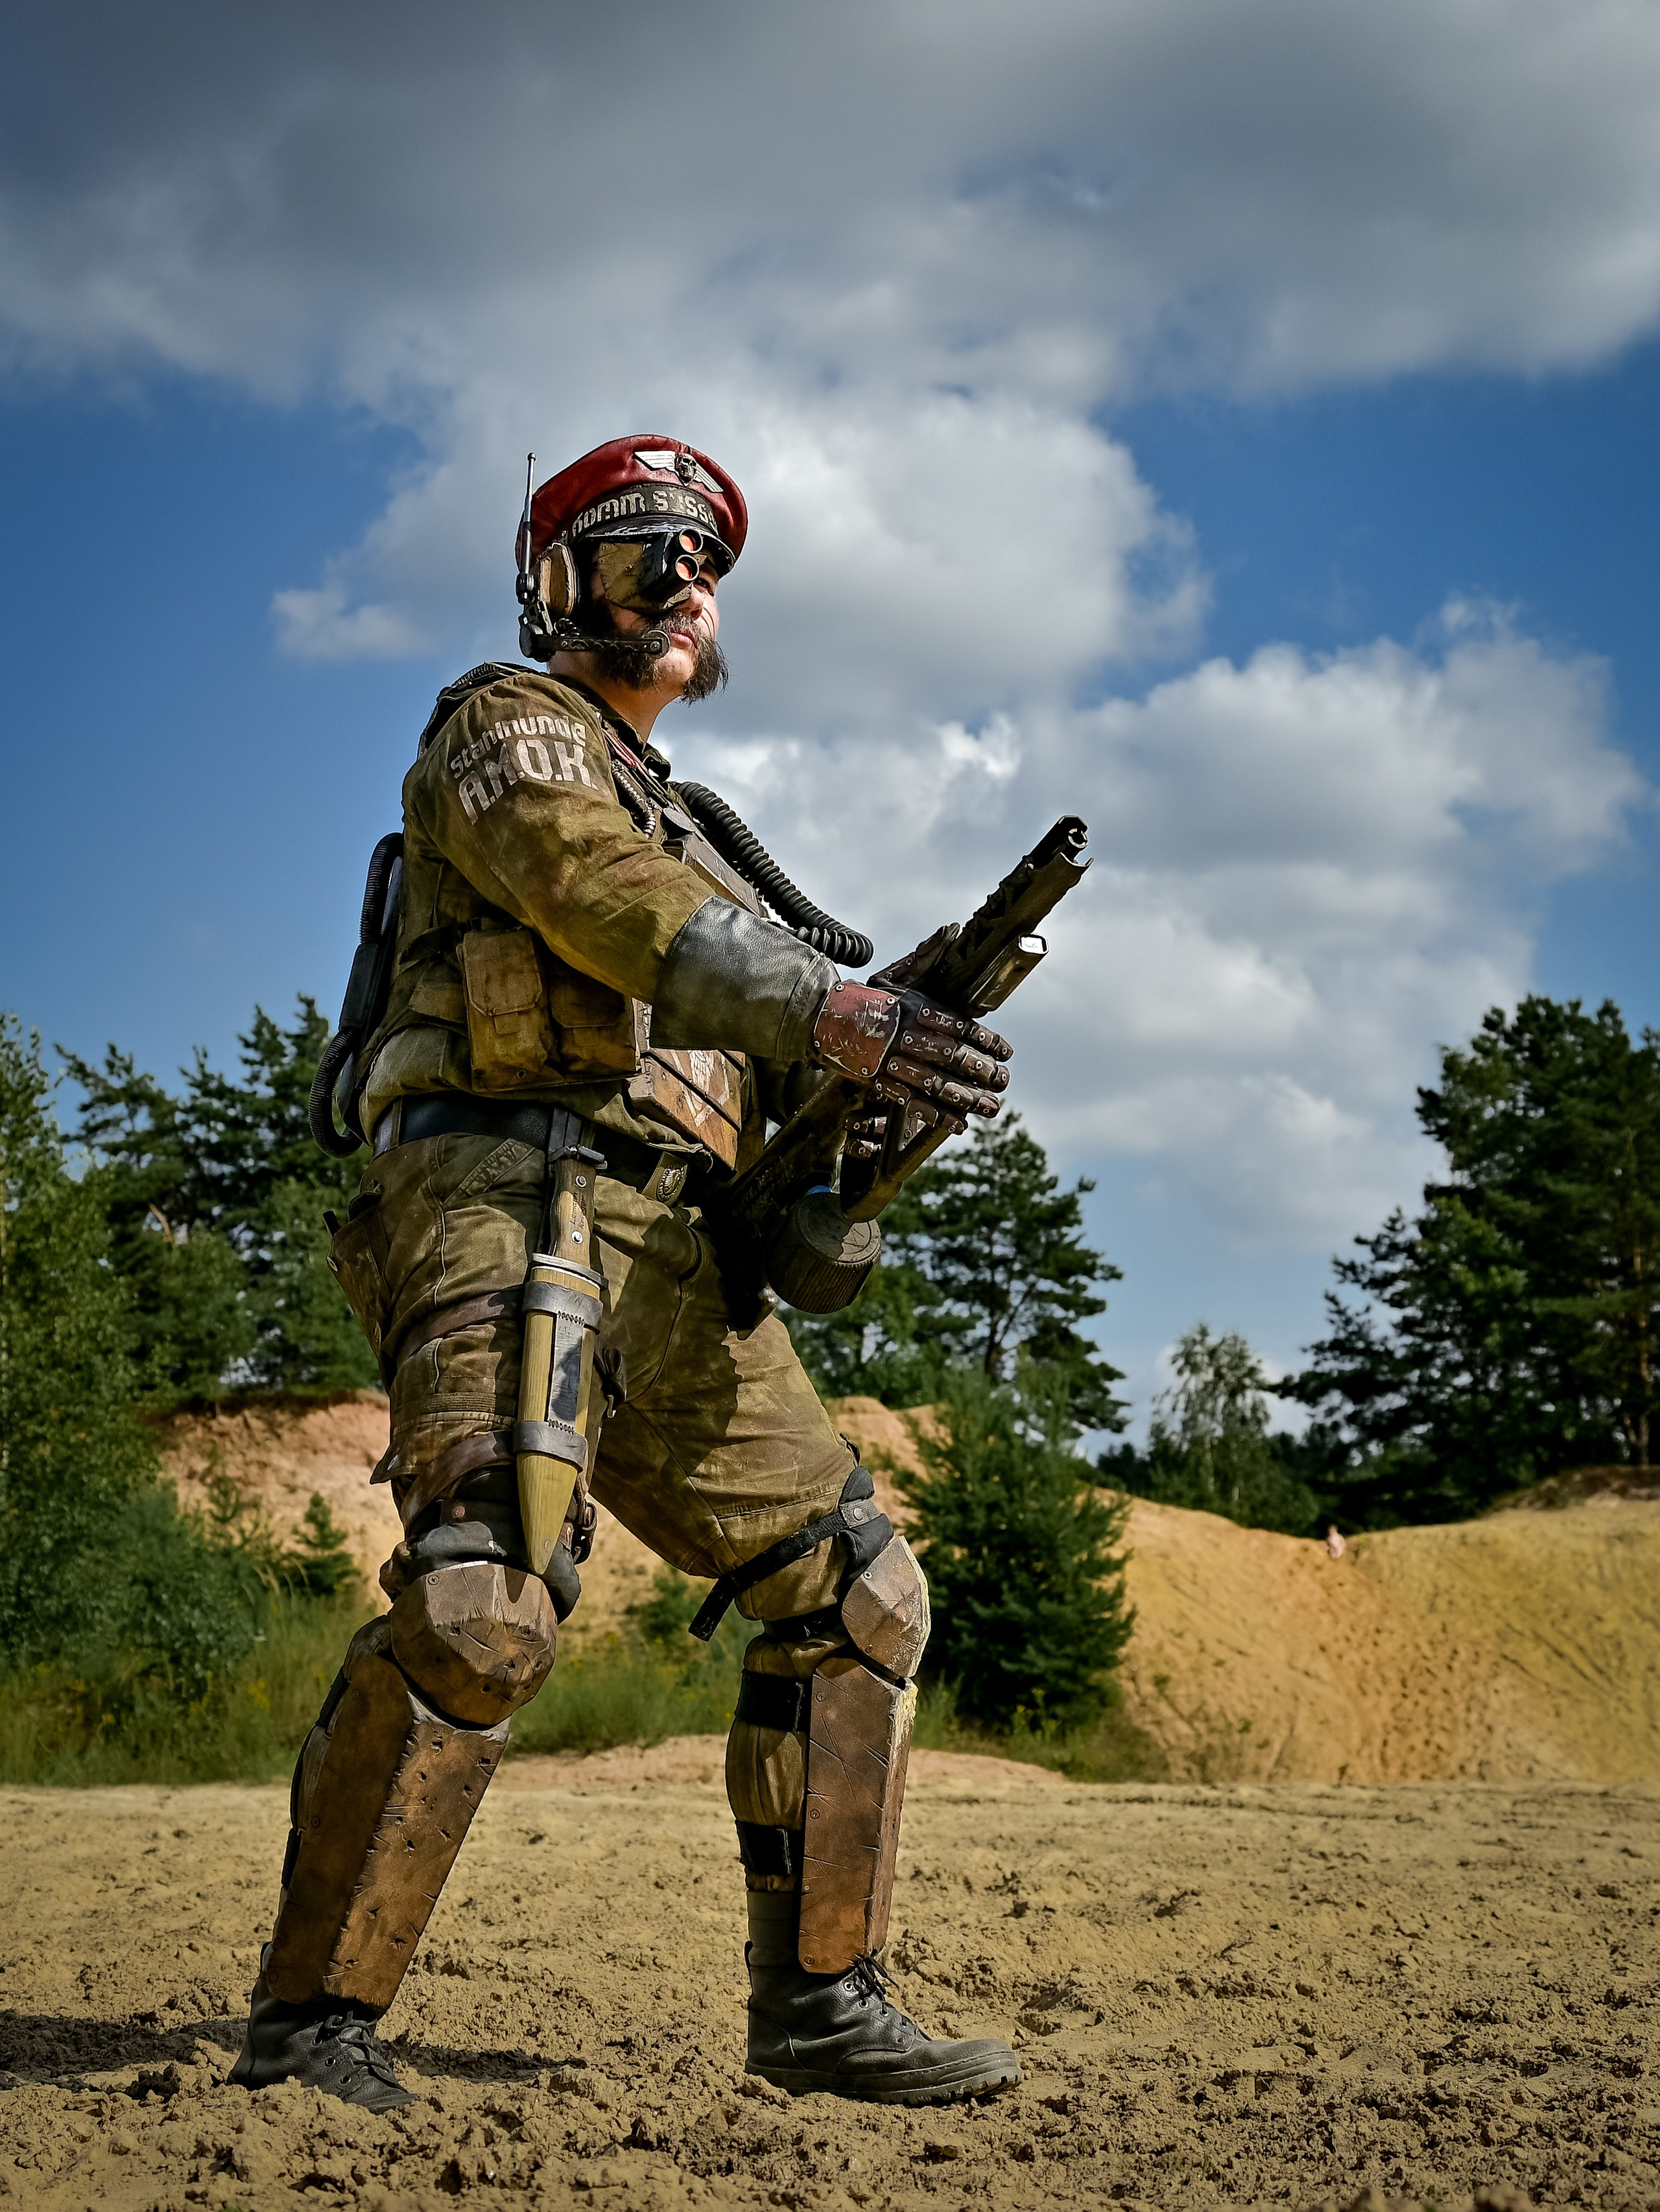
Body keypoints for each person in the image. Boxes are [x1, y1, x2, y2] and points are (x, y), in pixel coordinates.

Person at [231, 436, 1022, 2112]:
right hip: (503, 1188)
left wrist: (864, 1132)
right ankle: (311, 2020)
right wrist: (843, 1015)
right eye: (635, 545)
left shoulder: (719, 852)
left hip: (673, 1251)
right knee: (489, 1599)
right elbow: (602, 900)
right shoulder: (503, 730)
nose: (679, 574)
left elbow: (792, 1200)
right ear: (550, 587)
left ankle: (819, 2005)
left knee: (862, 1594)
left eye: (702, 554)